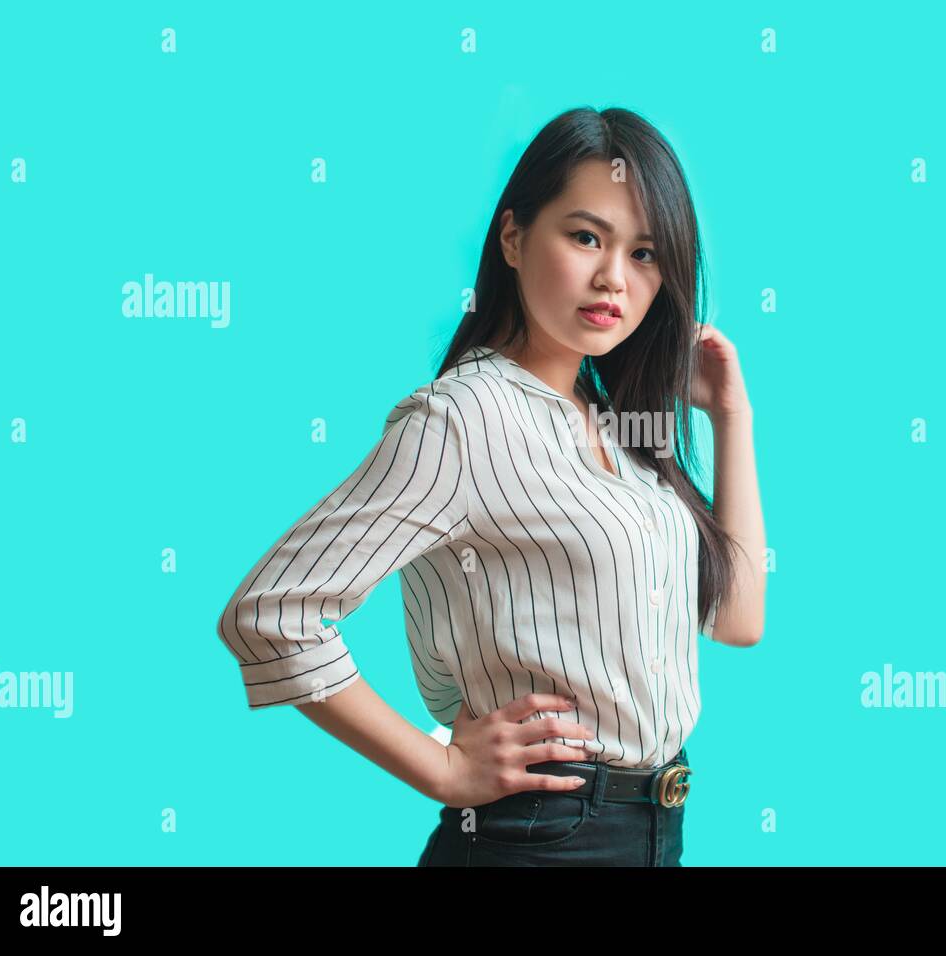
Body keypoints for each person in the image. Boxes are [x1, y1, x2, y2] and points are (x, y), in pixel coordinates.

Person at [215, 106, 766, 866]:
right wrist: (441, 766)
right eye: (585, 237)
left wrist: (731, 419)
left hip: (655, 831)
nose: (614, 277)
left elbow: (737, 620)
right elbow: (270, 615)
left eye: (644, 253)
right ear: (513, 237)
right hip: (540, 838)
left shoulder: (619, 429)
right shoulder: (461, 421)